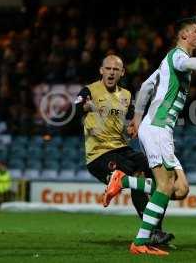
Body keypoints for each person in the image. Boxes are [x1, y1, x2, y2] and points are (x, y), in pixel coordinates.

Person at [103, 16, 196, 255]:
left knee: (180, 189)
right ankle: (140, 243)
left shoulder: (166, 62)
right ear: (184, 35)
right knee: (164, 185)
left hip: (162, 131)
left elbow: (147, 86)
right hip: (158, 129)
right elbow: (190, 65)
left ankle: (124, 180)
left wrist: (138, 118)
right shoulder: (178, 57)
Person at [74, 55, 173, 245]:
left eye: (115, 69)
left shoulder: (126, 95)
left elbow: (130, 122)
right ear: (101, 70)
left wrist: (132, 127)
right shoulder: (90, 90)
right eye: (108, 68)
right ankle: (152, 232)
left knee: (155, 173)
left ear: (122, 73)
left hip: (122, 148)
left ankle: (155, 231)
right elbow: (77, 106)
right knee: (137, 177)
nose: (111, 72)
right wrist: (86, 106)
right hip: (99, 155)